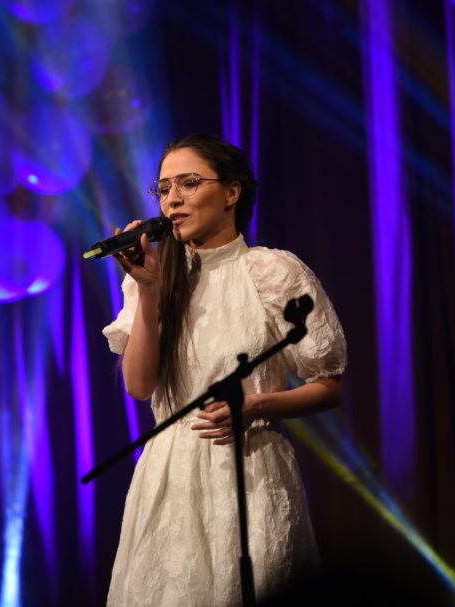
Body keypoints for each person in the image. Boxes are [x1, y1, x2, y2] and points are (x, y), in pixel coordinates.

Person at [102, 133, 347, 606]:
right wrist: (148, 289)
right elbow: (139, 386)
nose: (172, 200)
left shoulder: (272, 272)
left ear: (231, 193)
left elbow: (328, 384)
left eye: (189, 184)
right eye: (164, 188)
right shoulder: (153, 277)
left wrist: (255, 405)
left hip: (250, 464)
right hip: (169, 473)